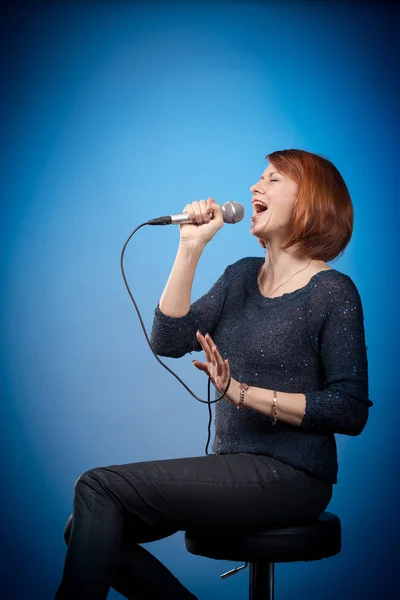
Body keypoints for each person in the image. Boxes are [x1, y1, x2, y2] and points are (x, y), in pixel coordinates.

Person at [54, 149, 373, 600]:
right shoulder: (241, 277)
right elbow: (167, 339)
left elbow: (349, 409)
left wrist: (241, 392)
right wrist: (190, 248)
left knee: (97, 487)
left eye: (273, 179)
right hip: (233, 468)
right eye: (258, 178)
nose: (254, 188)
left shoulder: (333, 292)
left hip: (294, 477)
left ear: (310, 202)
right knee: (85, 522)